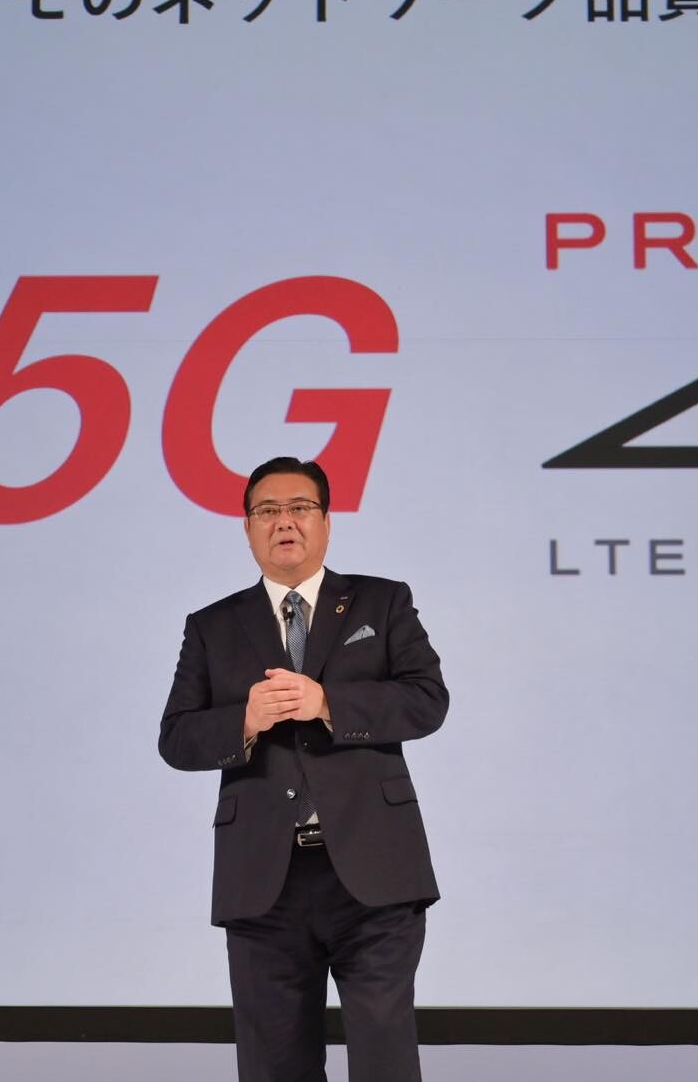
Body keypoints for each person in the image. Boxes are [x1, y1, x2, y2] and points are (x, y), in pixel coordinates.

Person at [159, 455, 448, 1082]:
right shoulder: (211, 626)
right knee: (274, 1063)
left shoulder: (381, 601)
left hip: (375, 871)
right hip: (264, 882)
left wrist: (329, 704)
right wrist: (243, 720)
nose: (283, 521)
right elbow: (176, 738)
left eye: (299, 507)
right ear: (247, 527)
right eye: (267, 510)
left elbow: (428, 700)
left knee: (385, 1056)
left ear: (326, 521)